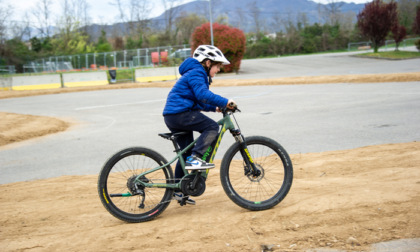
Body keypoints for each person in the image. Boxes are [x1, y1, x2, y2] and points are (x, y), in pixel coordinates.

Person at [162, 45, 236, 205]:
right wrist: (225, 101)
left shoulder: (194, 72)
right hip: (179, 114)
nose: (218, 70)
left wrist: (215, 107)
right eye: (217, 66)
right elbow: (202, 94)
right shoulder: (197, 72)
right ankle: (195, 159)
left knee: (185, 153)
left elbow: (198, 101)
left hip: (174, 115)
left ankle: (178, 190)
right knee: (211, 127)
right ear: (208, 63)